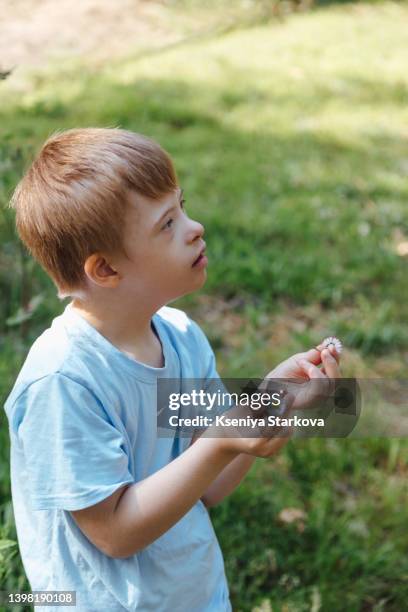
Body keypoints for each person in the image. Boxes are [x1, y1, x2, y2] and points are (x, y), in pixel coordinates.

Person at [4, 128, 341, 611]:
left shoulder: (181, 338)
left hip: (193, 595)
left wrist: (269, 405)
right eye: (167, 224)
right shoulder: (64, 381)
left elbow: (209, 486)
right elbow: (115, 534)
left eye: (182, 206)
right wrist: (227, 436)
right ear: (105, 271)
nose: (195, 226)